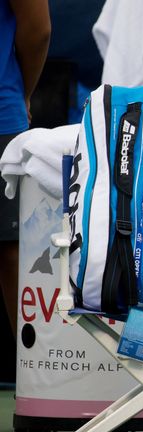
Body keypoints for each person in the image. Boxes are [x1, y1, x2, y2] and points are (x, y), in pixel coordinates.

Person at [0, 0, 51, 337]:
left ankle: (31, 370)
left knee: (13, 248)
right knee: (12, 250)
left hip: (3, 115)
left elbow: (37, 30)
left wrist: (23, 94)